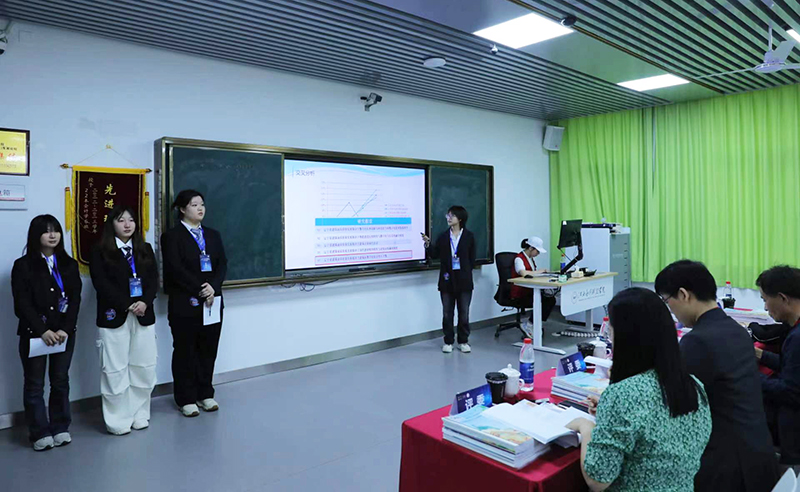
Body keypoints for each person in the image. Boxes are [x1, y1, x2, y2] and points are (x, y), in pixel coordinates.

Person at [567, 288, 711, 492]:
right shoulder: (694, 385)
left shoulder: (622, 395)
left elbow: (597, 480)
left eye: (610, 330)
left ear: (626, 337)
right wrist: (611, 414)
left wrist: (586, 426)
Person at [655, 260, 779, 491]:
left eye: (666, 301)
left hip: (727, 468)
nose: (670, 310)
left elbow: (673, 401)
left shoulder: (698, 340)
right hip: (760, 455)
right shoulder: (736, 330)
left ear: (683, 294)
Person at [11, 215, 82, 451]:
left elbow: (75, 300)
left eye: (56, 230)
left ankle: (60, 427)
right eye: (46, 231)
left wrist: (65, 329)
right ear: (36, 235)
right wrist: (42, 331)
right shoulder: (23, 266)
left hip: (64, 334)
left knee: (60, 381)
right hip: (35, 334)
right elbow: (22, 304)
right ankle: (39, 432)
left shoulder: (69, 264)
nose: (52, 235)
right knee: (34, 384)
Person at [89, 205, 159, 435]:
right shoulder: (100, 251)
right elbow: (101, 283)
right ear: (112, 224)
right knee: (115, 369)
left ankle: (139, 413)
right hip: (114, 315)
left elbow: (153, 280)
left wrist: (145, 302)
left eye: (131, 220)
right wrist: (127, 304)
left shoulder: (145, 249)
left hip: (143, 315)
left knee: (143, 366)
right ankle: (118, 420)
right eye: (121, 220)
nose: (127, 225)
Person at [161, 190, 227, 417]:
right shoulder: (172, 237)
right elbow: (175, 269)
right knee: (185, 351)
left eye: (202, 204)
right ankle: (186, 398)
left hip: (212, 302)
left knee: (208, 349)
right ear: (182, 209)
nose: (200, 209)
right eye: (194, 205)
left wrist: (213, 287)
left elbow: (222, 265)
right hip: (185, 302)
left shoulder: (213, 235)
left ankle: (205, 393)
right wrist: (202, 289)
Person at [755, 265, 800, 467]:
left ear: (782, 298)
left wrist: (749, 375)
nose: (765, 307)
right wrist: (761, 355)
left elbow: (791, 391)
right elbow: (793, 367)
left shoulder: (797, 337)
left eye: (765, 299)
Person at [421, 205, 476, 354]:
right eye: (448, 215)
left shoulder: (469, 236)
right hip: (447, 280)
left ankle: (463, 341)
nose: (449, 218)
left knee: (464, 313)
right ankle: (448, 341)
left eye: (452, 216)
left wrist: (464, 271)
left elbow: (472, 259)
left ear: (460, 218)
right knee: (447, 313)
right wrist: (428, 244)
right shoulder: (443, 236)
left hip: (464, 281)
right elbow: (435, 254)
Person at [509, 236, 556, 325]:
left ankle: (535, 323)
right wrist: (540, 271)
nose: (538, 253)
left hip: (529, 290)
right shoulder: (519, 259)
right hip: (520, 293)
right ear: (531, 248)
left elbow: (532, 274)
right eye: (537, 251)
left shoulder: (530, 259)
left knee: (550, 299)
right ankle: (531, 324)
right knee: (546, 300)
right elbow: (524, 273)